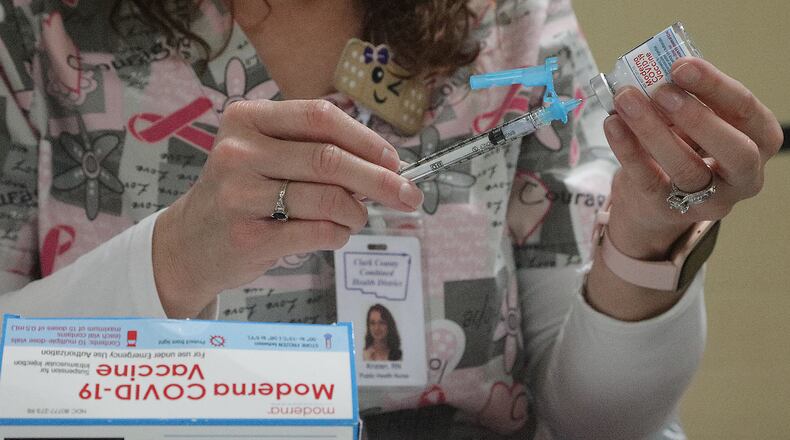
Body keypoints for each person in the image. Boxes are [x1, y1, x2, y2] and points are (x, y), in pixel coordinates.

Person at [0, 0, 782, 438]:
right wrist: (173, 259)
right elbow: (16, 391)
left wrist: (643, 242)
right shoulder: (38, 34)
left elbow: (602, 423)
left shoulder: (504, 21)